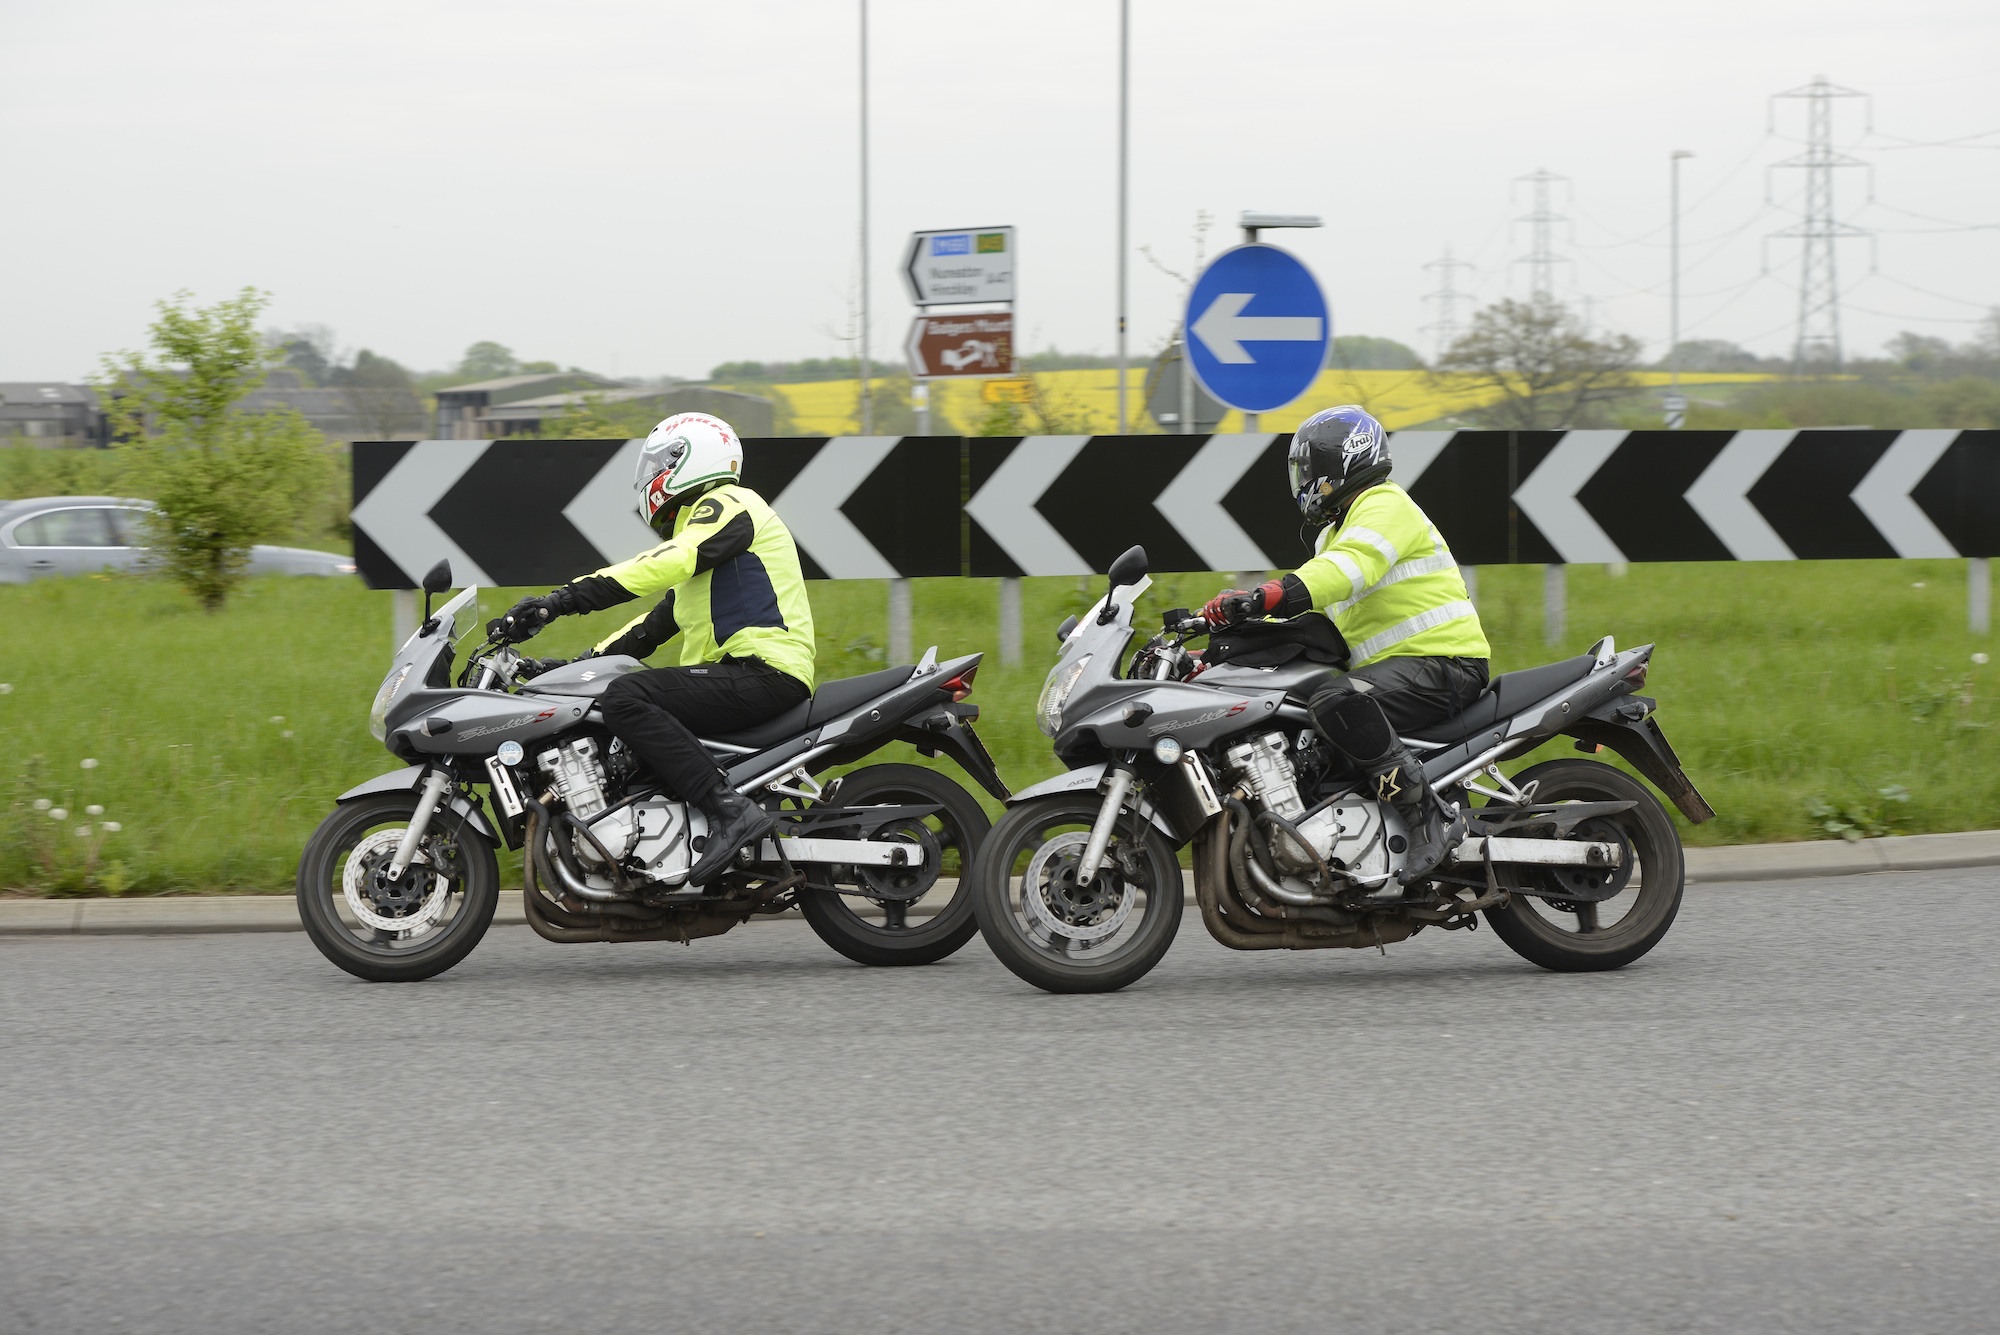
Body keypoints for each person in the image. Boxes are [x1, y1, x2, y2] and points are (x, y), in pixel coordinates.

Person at [490, 412, 816, 886]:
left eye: (660, 462)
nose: (651, 477)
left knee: (625, 698)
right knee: (618, 722)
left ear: (688, 459)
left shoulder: (728, 504)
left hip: (763, 671)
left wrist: (559, 602)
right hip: (742, 674)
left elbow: (667, 562)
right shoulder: (708, 545)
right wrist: (567, 669)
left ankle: (732, 815)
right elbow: (651, 628)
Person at [1202, 405, 1489, 888]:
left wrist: (1269, 592)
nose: (1304, 482)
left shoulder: (1384, 505)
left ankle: (1427, 819)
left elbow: (1346, 570)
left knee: (1334, 700)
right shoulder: (1335, 533)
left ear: (1342, 463)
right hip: (1399, 671)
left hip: (1444, 664)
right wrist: (1220, 653)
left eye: (1310, 470)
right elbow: (1319, 629)